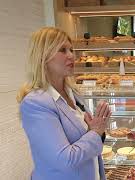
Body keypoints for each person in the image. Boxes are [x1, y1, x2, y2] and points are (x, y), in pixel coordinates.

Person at [16, 27, 111, 180]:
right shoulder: (35, 103)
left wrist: (95, 130)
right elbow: (64, 160)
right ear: (43, 56)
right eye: (62, 50)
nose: (71, 56)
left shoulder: (73, 93)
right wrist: (95, 132)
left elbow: (88, 138)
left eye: (71, 50)